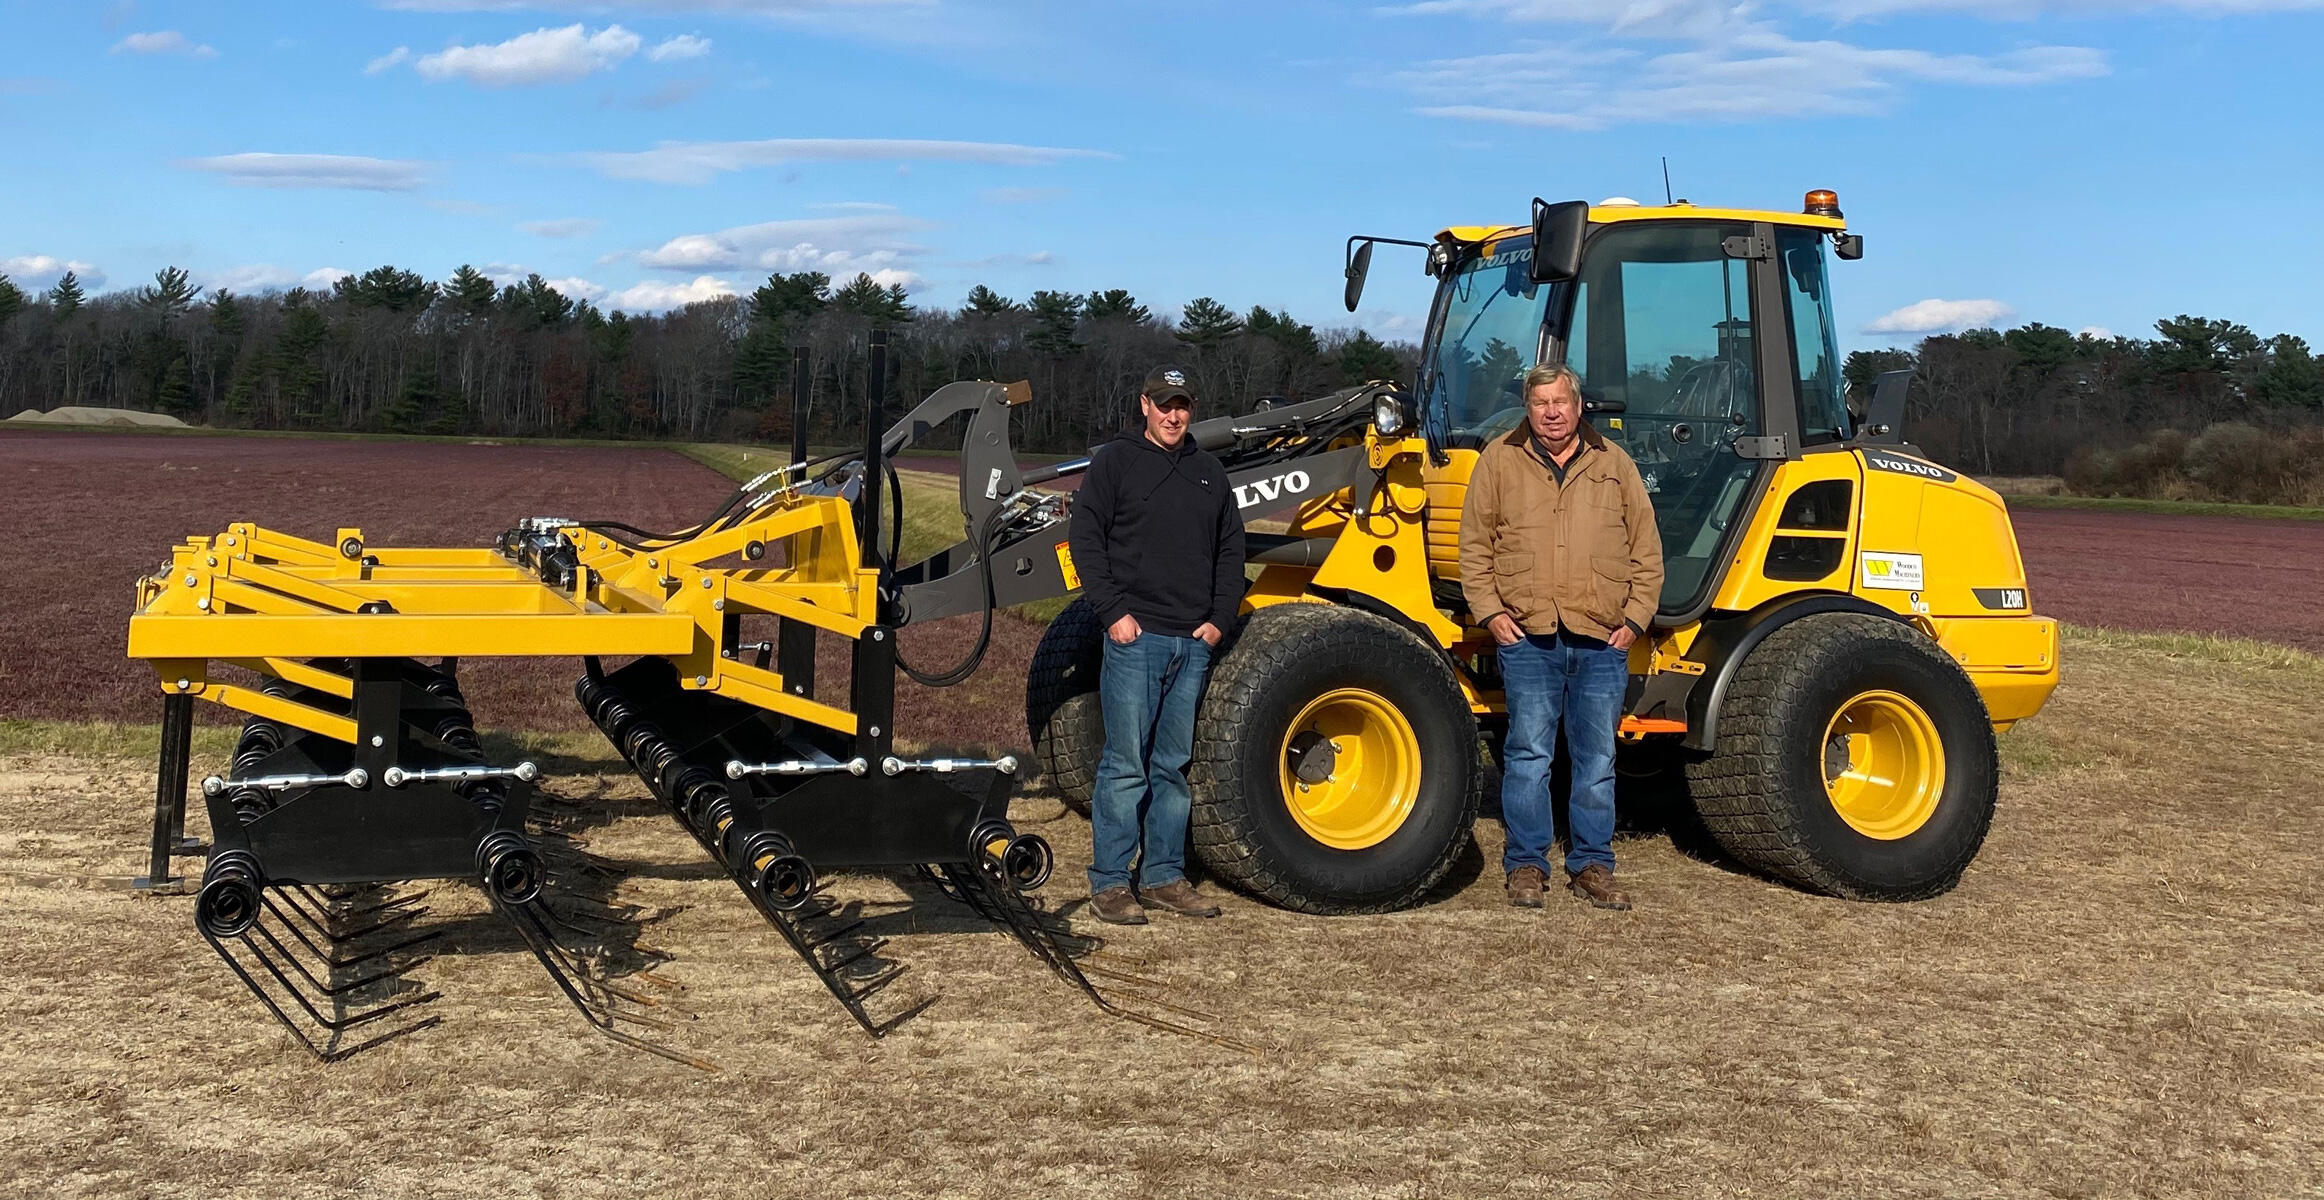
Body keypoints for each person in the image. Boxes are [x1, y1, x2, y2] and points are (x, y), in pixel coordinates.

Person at [1459, 363, 1664, 911]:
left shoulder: (1613, 462)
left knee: (1596, 758)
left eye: (1561, 401)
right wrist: (1491, 614)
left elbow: (1646, 549)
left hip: (1601, 637)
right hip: (1529, 637)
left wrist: (1635, 619)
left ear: (1578, 406)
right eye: (1540, 402)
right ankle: (1527, 866)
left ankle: (1593, 865)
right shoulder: (1499, 460)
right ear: (1527, 408)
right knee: (1528, 754)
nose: (1552, 412)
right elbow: (1475, 546)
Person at [1067, 365, 1245, 924]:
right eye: (1165, 404)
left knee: (1172, 765)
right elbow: (1085, 539)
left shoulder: (1210, 473)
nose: (1174, 415)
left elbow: (1232, 552)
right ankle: (1112, 883)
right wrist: (1114, 613)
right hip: (1135, 639)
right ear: (1144, 404)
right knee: (1125, 765)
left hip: (1190, 643)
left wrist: (1219, 619)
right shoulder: (1114, 463)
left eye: (1183, 405)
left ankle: (1164, 875)